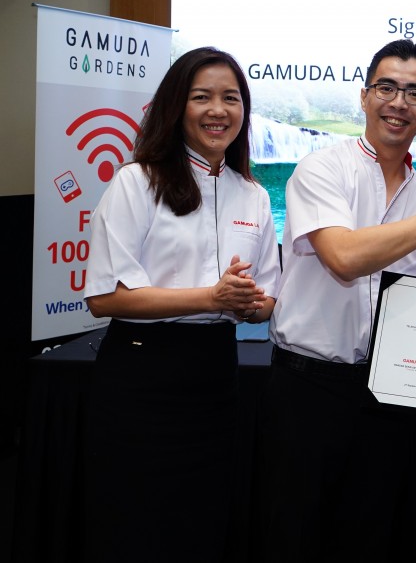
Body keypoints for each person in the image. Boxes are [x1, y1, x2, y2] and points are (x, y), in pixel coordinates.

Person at [253, 39, 416, 562]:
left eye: (415, 93)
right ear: (364, 97)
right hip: (306, 390)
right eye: (387, 87)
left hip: (388, 399)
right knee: (291, 537)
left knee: (369, 539)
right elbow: (342, 257)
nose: (399, 102)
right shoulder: (320, 171)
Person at [82, 47, 281, 563]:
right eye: (202, 97)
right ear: (177, 106)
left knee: (203, 522)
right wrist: (211, 297)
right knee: (134, 524)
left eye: (231, 98)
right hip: (141, 374)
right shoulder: (137, 181)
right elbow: (105, 297)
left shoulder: (253, 195)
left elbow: (264, 301)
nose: (218, 110)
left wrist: (247, 304)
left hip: (215, 378)